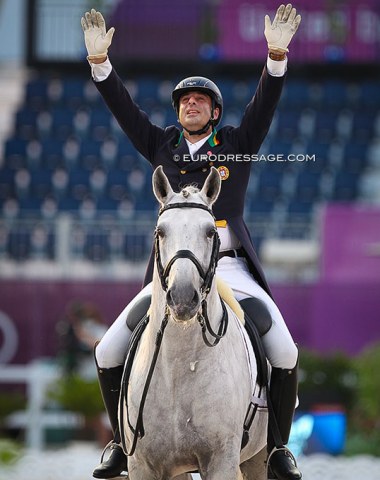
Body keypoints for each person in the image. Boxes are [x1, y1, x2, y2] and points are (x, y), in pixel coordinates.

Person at [81, 4, 302, 479]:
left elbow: (264, 106)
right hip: (173, 268)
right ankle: (122, 442)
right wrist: (102, 68)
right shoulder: (162, 144)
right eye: (184, 101)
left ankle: (279, 448)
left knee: (284, 351)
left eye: (200, 100)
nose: (191, 105)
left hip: (228, 266)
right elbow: (126, 111)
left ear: (214, 112)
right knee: (106, 351)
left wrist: (276, 57)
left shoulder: (236, 143)